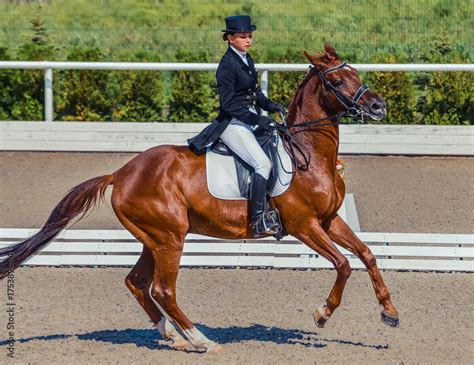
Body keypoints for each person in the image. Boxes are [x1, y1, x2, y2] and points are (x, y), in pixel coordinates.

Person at [188, 15, 286, 237]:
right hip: (233, 124)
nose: (248, 40)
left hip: (248, 119)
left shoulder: (246, 58)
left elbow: (253, 93)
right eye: (243, 36)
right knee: (262, 164)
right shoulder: (226, 66)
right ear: (230, 38)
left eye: (249, 36)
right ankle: (258, 219)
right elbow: (229, 104)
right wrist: (258, 119)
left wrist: (270, 105)